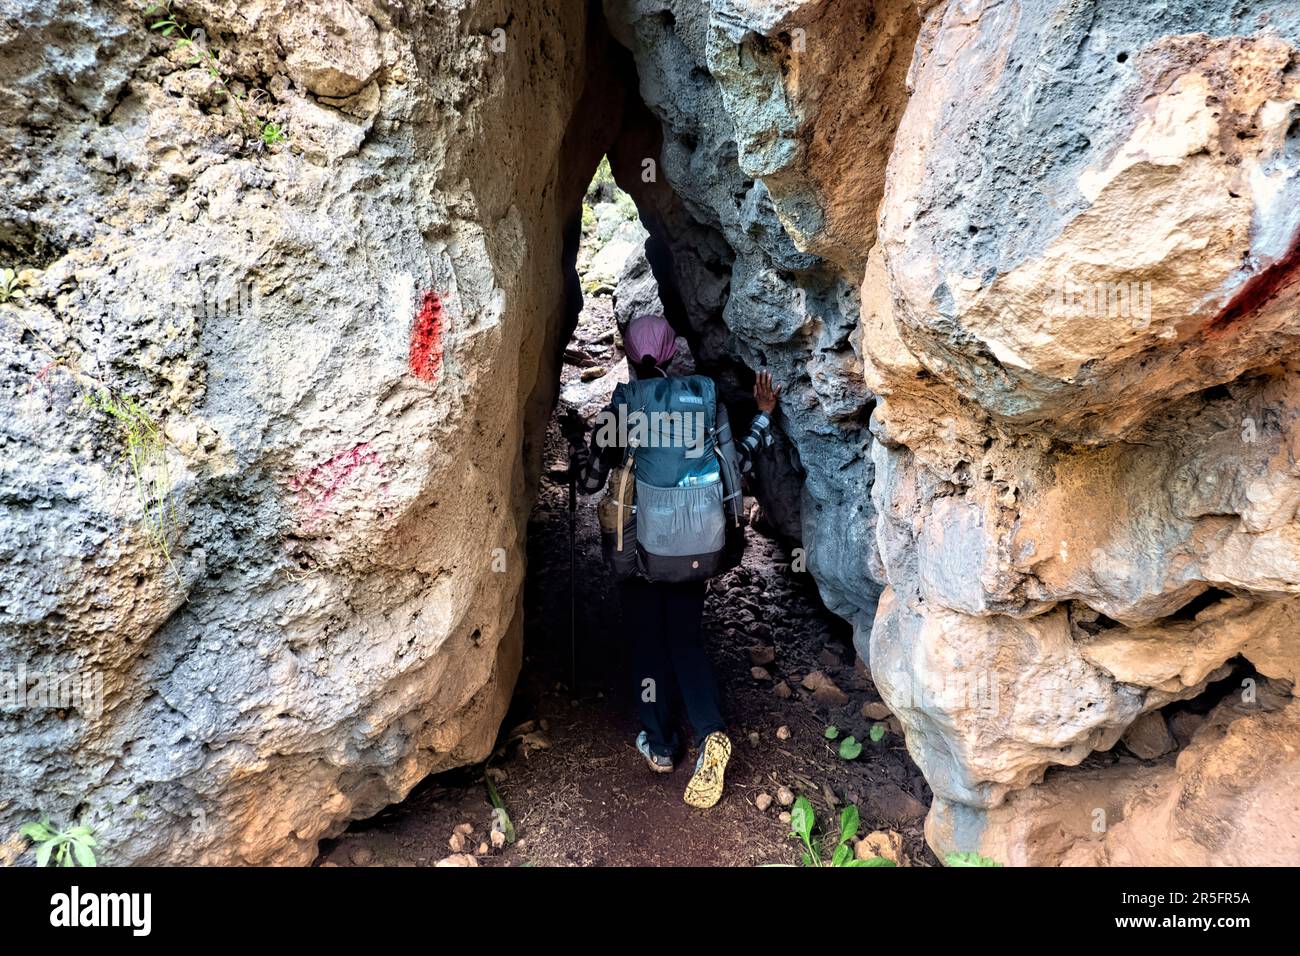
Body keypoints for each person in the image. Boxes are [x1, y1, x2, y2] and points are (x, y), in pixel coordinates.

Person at [569, 313, 781, 809]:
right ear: (671, 353)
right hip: (693, 548)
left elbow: (588, 483)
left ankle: (661, 744)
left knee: (647, 643)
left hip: (640, 551)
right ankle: (711, 733)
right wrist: (765, 414)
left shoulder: (624, 408)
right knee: (686, 639)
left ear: (629, 354)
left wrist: (579, 446)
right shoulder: (705, 400)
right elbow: (739, 466)